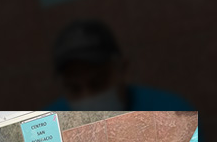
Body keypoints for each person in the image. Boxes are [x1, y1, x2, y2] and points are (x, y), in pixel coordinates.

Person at [48, 20, 194, 111]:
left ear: (123, 69)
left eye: (97, 83)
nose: (88, 96)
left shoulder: (171, 111)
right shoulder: (46, 127)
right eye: (74, 89)